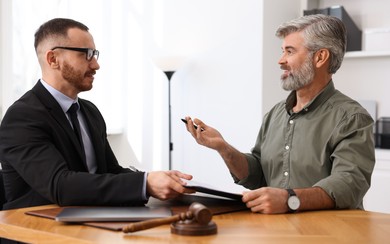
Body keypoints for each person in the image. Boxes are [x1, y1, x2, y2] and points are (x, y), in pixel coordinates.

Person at [183, 14, 375, 214]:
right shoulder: (275, 114)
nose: (280, 61)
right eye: (282, 51)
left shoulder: (352, 118)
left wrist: (289, 199)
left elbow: (349, 185)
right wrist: (223, 148)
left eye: (290, 52)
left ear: (320, 57)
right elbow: (258, 175)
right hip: (275, 231)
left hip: (328, 234)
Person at [0, 18, 194, 210]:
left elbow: (110, 171)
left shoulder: (90, 111)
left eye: (95, 55)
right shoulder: (22, 117)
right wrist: (144, 183)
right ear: (53, 59)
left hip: (88, 222)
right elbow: (61, 186)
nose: (95, 65)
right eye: (87, 54)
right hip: (35, 230)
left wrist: (158, 181)